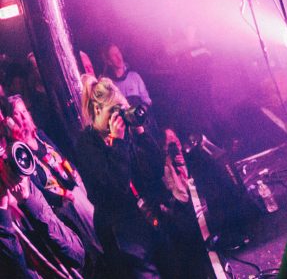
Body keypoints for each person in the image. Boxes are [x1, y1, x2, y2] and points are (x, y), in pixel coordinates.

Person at [73, 75, 208, 278]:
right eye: (113, 111)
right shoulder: (87, 144)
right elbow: (118, 185)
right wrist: (118, 142)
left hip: (147, 217)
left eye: (122, 109)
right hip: (121, 231)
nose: (118, 117)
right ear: (98, 110)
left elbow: (156, 169)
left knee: (174, 270)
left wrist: (141, 132)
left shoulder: (126, 133)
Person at [1, 94, 101, 261]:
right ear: (10, 120)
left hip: (74, 188)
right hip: (63, 204)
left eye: (24, 111)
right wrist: (63, 196)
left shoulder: (39, 135)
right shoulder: (19, 152)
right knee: (86, 245)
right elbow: (38, 185)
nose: (23, 117)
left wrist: (74, 172)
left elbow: (59, 155)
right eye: (17, 114)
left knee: (97, 228)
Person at [0, 134, 86, 278]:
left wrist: (28, 199)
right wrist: (2, 212)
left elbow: (77, 255)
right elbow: (21, 272)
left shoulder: (28, 190)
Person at [100, 43, 152, 108]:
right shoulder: (109, 85)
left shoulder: (135, 77)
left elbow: (147, 101)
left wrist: (142, 110)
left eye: (118, 52)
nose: (118, 57)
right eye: (114, 55)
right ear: (109, 62)